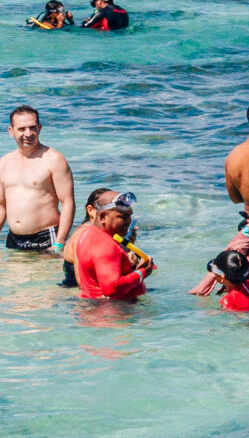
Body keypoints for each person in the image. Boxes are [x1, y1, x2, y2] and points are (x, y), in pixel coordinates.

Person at [1, 104, 74, 256]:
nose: (28, 133)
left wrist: (59, 242)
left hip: (46, 238)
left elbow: (67, 202)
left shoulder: (54, 159)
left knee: (45, 272)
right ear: (11, 131)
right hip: (14, 240)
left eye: (32, 128)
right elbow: (1, 207)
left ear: (39, 128)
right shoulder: (4, 163)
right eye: (22, 129)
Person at [71, 188, 151, 300]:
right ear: (103, 217)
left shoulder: (89, 233)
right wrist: (142, 273)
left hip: (95, 305)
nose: (129, 221)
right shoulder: (105, 245)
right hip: (111, 308)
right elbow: (112, 289)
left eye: (129, 216)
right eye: (122, 217)